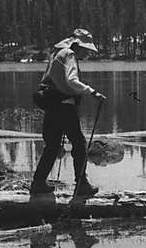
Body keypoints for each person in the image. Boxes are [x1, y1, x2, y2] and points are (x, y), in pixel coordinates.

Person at [30, 28, 106, 198]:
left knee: (52, 146)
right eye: (86, 50)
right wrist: (93, 92)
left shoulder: (58, 54)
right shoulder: (69, 55)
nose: (86, 54)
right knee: (79, 144)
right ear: (78, 45)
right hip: (64, 107)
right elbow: (71, 81)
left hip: (52, 105)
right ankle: (81, 185)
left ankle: (38, 183)